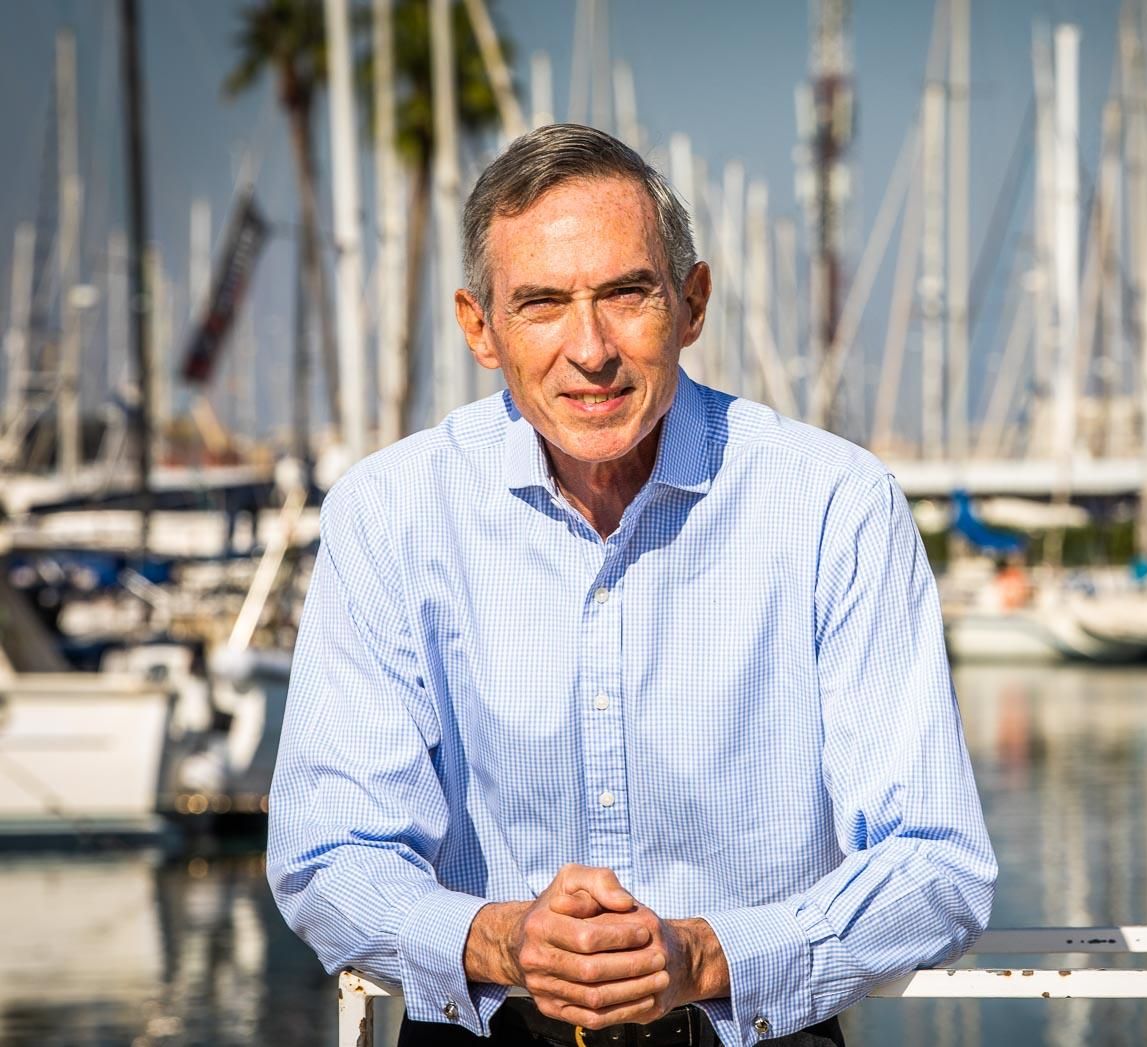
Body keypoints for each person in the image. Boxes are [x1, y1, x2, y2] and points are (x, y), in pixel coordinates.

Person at [267, 123, 995, 1047]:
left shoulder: (833, 506)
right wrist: (500, 939)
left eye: (625, 293)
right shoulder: (389, 513)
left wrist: (708, 955)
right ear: (478, 328)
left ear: (690, 304)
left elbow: (936, 862)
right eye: (540, 304)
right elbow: (327, 852)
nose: (591, 348)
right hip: (486, 1028)